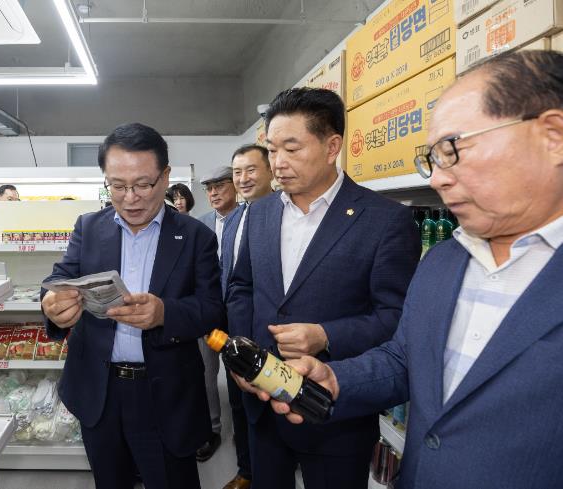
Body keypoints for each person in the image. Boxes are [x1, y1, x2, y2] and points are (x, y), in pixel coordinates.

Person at [265, 50, 563, 489]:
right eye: (434, 158)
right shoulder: (443, 261)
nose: (438, 179)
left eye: (454, 149)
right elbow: (405, 359)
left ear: (552, 136)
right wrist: (336, 379)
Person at [226, 87, 421, 489]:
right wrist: (243, 354)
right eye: (272, 150)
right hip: (262, 405)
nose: (278, 163)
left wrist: (326, 335)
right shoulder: (259, 213)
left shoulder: (384, 222)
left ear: (332, 147)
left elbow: (396, 319)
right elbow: (242, 287)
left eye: (292, 149)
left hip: (334, 416)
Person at [40, 122, 225, 489]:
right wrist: (51, 303)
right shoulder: (88, 228)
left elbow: (211, 308)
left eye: (142, 185)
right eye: (117, 186)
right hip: (99, 390)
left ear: (165, 177)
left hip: (166, 394)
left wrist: (164, 313)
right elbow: (59, 278)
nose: (130, 198)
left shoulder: (195, 236)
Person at [218, 144, 275, 489]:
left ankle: (269, 472)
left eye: (251, 170)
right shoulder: (233, 219)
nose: (243, 179)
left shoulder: (280, 214)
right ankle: (246, 470)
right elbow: (227, 274)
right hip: (230, 330)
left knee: (264, 405)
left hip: (265, 332)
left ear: (270, 170)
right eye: (237, 172)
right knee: (238, 402)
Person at [194, 165, 238, 461]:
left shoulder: (249, 218)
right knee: (206, 373)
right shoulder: (200, 225)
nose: (213, 193)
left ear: (234, 185)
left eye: (220, 185)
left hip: (239, 313)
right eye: (209, 188)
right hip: (208, 314)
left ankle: (245, 430)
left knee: (241, 372)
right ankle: (211, 429)